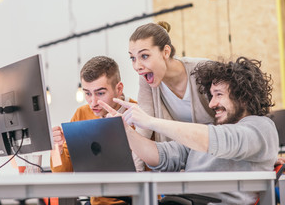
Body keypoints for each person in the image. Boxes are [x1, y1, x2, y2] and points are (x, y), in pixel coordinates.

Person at [99, 57, 279, 204]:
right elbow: (162, 156)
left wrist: (151, 121)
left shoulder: (260, 127)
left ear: (243, 97)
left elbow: (220, 141)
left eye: (219, 94)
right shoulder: (208, 131)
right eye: (211, 95)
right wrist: (125, 132)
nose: (211, 104)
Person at [128, 21, 215, 171]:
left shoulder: (204, 70)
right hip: (180, 162)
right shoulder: (146, 80)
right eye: (133, 58)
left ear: (166, 52)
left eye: (144, 56)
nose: (137, 66)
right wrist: (136, 174)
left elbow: (229, 123)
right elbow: (144, 127)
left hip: (214, 158)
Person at [50, 56, 137, 205]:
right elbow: (62, 174)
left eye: (100, 93)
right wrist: (57, 149)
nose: (93, 102)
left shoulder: (137, 113)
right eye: (88, 93)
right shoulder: (81, 114)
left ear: (119, 88)